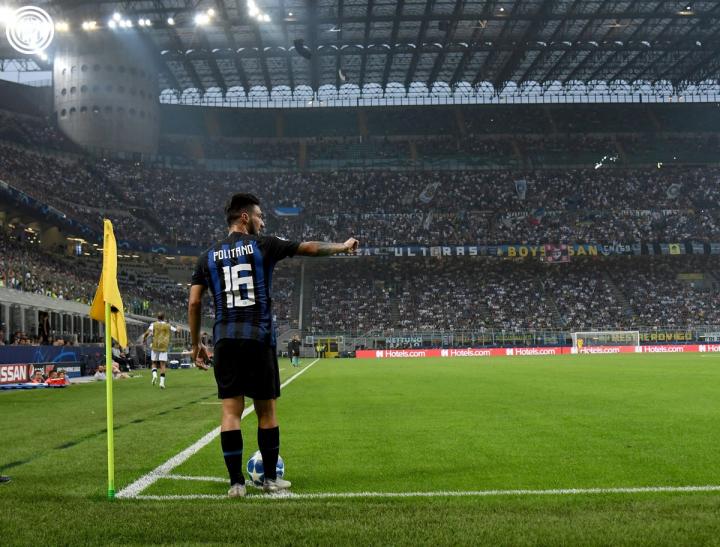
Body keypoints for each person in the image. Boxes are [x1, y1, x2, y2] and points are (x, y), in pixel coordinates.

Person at [188, 192, 358, 498]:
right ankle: (269, 480)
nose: (263, 222)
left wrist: (196, 343)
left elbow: (194, 303)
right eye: (259, 216)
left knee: (230, 412)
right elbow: (308, 247)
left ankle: (236, 484)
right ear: (245, 217)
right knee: (266, 411)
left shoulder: (207, 257)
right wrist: (342, 247)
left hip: (224, 339)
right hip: (258, 337)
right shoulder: (263, 245)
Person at [142, 312, 177, 389]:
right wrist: (179, 328)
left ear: (157, 317)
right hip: (163, 346)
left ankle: (154, 375)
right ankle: (162, 383)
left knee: (154, 362)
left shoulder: (153, 324)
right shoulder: (168, 325)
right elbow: (176, 330)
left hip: (155, 345)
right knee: (162, 365)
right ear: (164, 318)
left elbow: (147, 333)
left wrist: (144, 339)